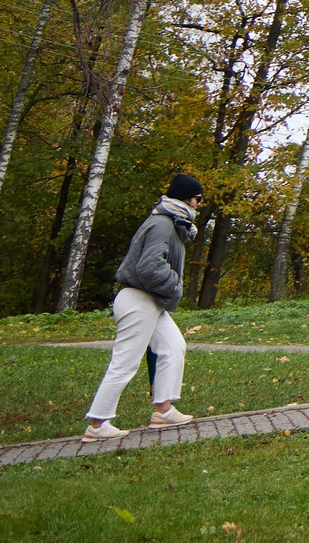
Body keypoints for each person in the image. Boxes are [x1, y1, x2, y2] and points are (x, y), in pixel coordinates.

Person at [81, 173, 204, 440]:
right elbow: (148, 267)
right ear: (185, 198)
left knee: (173, 346)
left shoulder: (171, 222)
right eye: (197, 199)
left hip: (150, 300)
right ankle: (97, 425)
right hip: (138, 299)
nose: (198, 204)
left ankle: (163, 411)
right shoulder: (162, 224)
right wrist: (175, 284)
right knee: (125, 362)